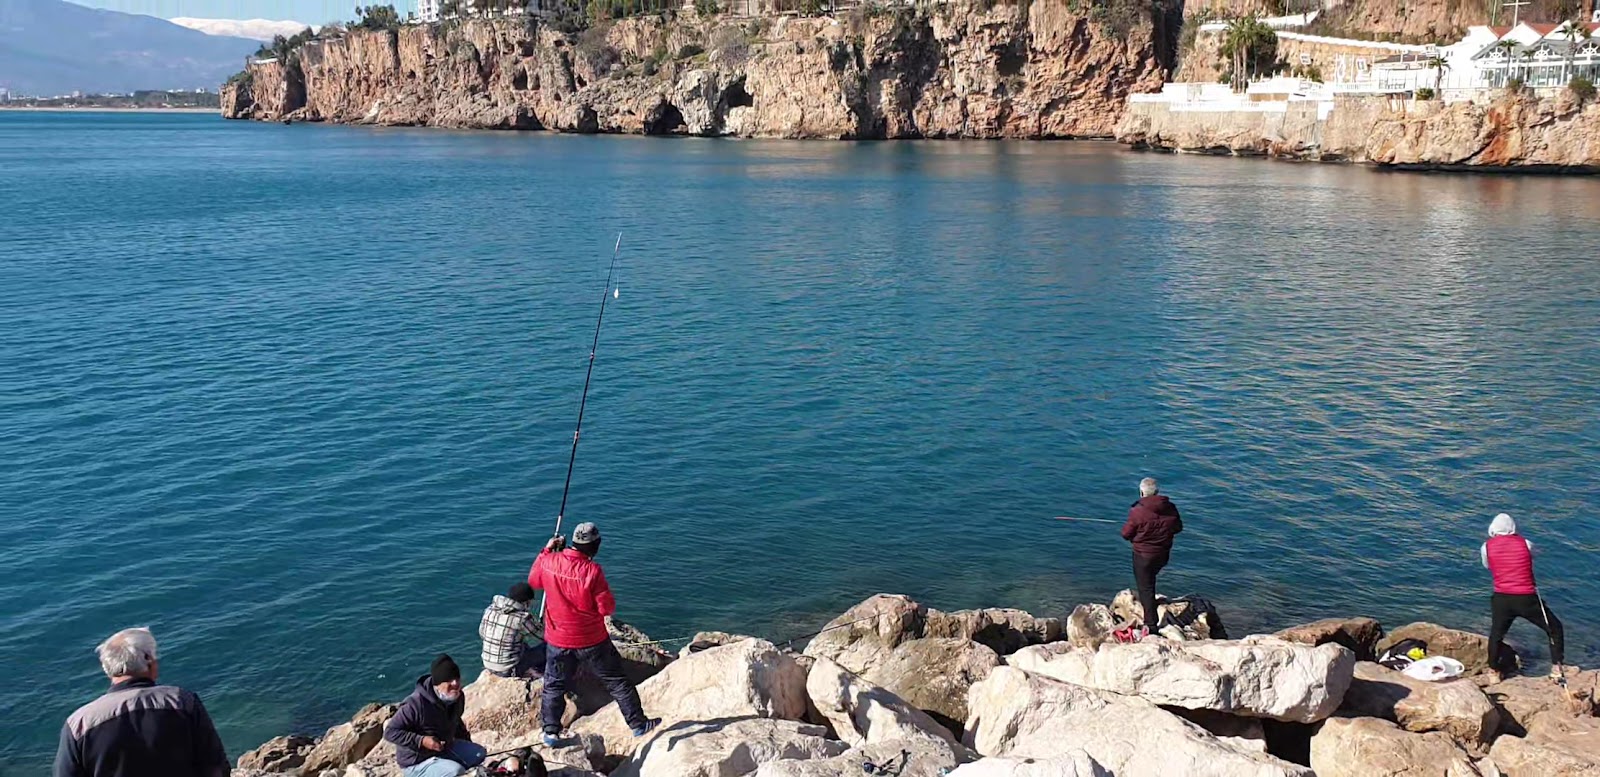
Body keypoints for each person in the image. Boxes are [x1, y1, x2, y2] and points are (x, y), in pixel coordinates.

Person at [527, 521, 660, 745]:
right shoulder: (592, 571)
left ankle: (550, 731)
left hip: (558, 640)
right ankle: (638, 724)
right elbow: (606, 608)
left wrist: (547, 550)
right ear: (594, 546)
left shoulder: (549, 561)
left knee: (554, 684)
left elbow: (534, 581)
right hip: (591, 640)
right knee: (617, 682)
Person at [53, 627, 231, 777]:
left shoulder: (79, 724)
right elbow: (215, 766)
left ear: (108, 669)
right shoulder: (183, 702)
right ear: (149, 661)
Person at [1481, 513, 1566, 681]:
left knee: (1496, 635)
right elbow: (1532, 555)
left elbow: (1487, 565)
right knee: (1554, 628)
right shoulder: (1526, 543)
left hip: (1502, 599)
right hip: (1526, 599)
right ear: (1513, 528)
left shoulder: (1486, 547)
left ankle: (1493, 672)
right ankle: (1556, 668)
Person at [384, 654, 486, 777]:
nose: (455, 683)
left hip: (444, 750)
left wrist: (467, 744)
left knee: (480, 754)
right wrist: (422, 741)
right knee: (455, 771)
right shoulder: (416, 704)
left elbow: (457, 723)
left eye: (457, 678)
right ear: (437, 684)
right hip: (417, 762)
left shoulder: (458, 698)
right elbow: (390, 732)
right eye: (448, 680)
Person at [1120, 477, 1183, 637]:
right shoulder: (1170, 508)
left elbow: (1126, 534)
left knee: (1145, 588)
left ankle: (1151, 625)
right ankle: (1153, 605)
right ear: (1157, 492)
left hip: (1143, 556)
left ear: (1142, 492)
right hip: (1163, 554)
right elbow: (1178, 528)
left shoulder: (1137, 511)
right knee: (1150, 580)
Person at [480, 582, 547, 679]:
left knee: (521, 644)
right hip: (509, 670)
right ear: (526, 602)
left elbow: (482, 634)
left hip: (488, 664)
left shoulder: (490, 610)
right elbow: (543, 635)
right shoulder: (521, 618)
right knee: (548, 648)